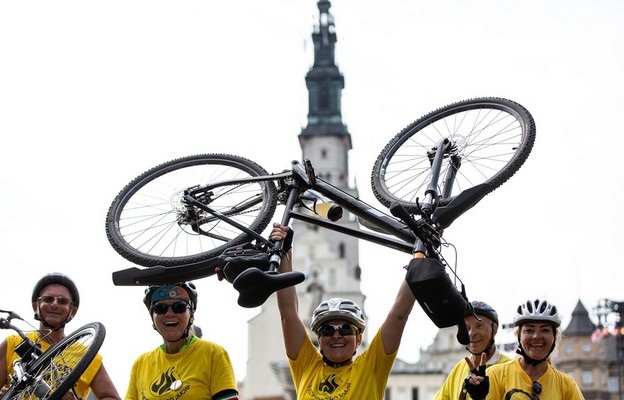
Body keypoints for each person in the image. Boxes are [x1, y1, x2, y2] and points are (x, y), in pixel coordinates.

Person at [271, 223, 417, 400]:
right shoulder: (307, 366)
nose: (336, 335)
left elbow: (398, 316)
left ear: (359, 339)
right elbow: (288, 315)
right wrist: (285, 251)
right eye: (328, 330)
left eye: (346, 328)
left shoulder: (370, 368)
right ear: (319, 339)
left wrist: (420, 257)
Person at [0, 272, 121, 400]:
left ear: (72, 311)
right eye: (48, 299)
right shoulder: (12, 343)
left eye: (63, 301)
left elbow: (112, 397)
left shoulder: (89, 356)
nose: (55, 304)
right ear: (36, 306)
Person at [125, 281, 239, 400]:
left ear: (191, 313)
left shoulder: (214, 353)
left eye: (178, 307)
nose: (170, 314)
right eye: (160, 308)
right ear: (152, 315)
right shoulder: (140, 364)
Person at [465, 298, 585, 400]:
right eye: (529, 330)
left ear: (554, 337)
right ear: (518, 336)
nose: (537, 336)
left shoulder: (567, 386)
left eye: (545, 330)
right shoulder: (496, 376)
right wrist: (479, 397)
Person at [433, 301, 512, 400]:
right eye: (467, 328)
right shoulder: (459, 367)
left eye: (479, 326)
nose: (472, 333)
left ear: (494, 329)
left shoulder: (509, 368)